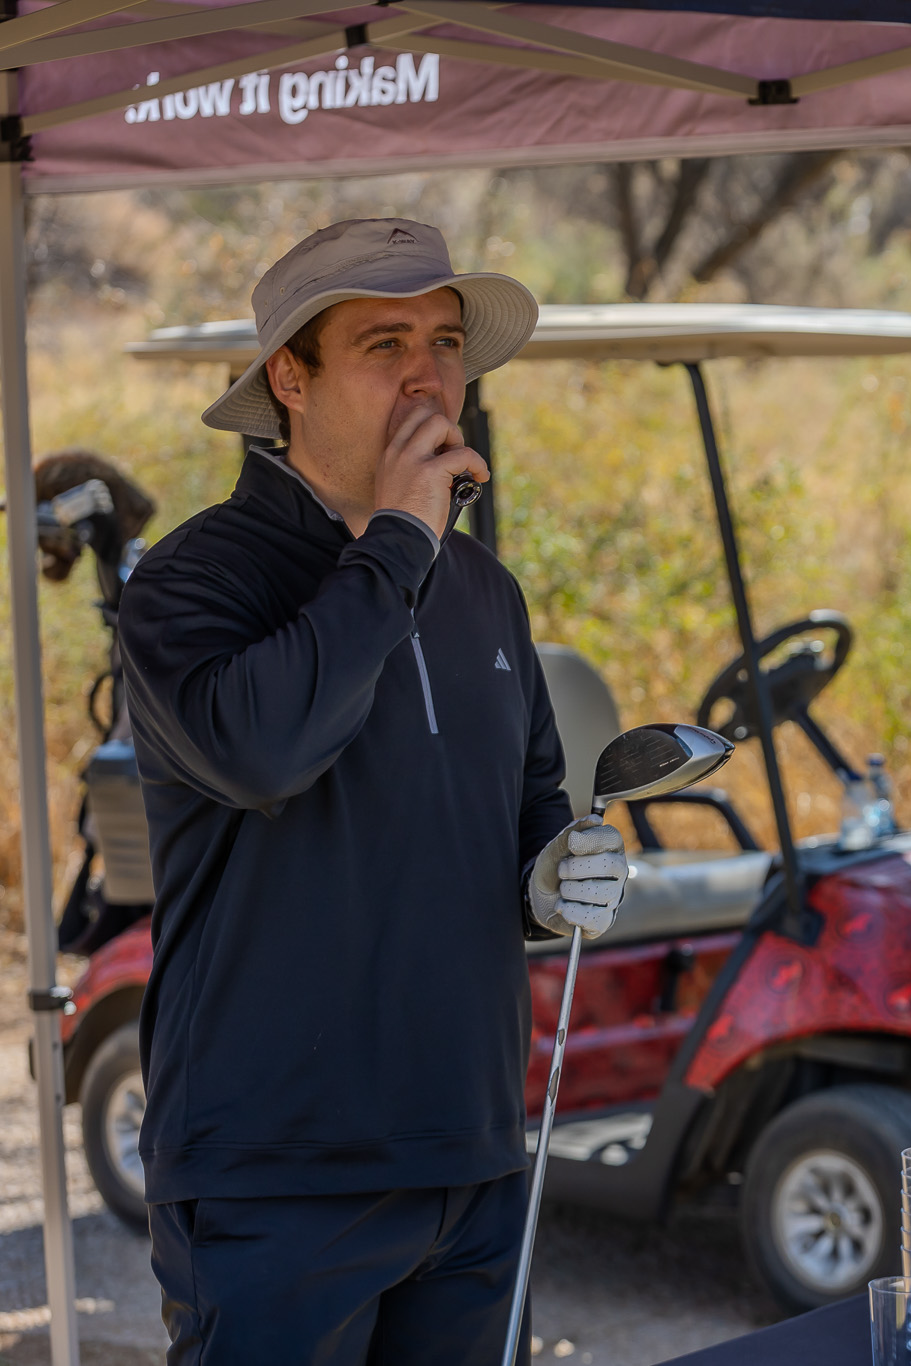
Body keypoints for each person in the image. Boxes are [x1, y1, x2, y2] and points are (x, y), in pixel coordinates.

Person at [120, 219, 628, 1365]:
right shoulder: (189, 582)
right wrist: (399, 536)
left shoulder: (485, 588)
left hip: (474, 1151)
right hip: (273, 1175)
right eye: (382, 342)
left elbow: (528, 802)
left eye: (445, 342)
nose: (427, 374)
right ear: (288, 379)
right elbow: (263, 752)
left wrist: (554, 878)